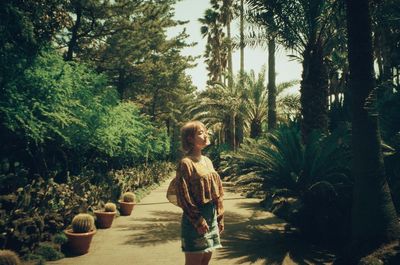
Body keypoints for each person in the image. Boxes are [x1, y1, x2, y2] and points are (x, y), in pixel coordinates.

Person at [175, 120, 224, 265]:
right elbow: (183, 195)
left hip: (212, 217)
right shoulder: (186, 163)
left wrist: (220, 216)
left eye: (205, 131)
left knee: (205, 261)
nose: (205, 135)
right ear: (190, 138)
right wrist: (198, 219)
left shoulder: (208, 161)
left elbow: (218, 191)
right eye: (200, 133)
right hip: (195, 220)